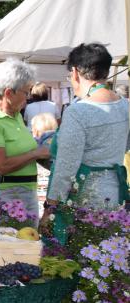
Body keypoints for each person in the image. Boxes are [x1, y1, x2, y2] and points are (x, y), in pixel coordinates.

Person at [42, 43, 129, 237]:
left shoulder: (79, 111)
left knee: (77, 257)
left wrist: (50, 207)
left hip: (83, 198)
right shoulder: (125, 106)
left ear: (75, 73)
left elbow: (66, 165)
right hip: (116, 194)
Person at [0, 59, 50, 225]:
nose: (28, 97)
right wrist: (36, 153)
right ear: (9, 93)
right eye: (26, 92)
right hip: (8, 195)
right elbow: (1, 166)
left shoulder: (16, 116)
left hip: (23, 193)